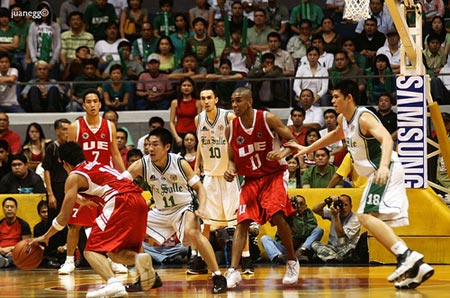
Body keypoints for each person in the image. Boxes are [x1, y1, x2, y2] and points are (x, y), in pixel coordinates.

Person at [285, 79, 434, 289]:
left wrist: (383, 166)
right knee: (371, 219)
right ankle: (415, 264)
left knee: (364, 215)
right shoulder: (342, 120)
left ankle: (407, 257)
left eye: (336, 96)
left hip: (386, 169)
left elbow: (387, 139)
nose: (333, 100)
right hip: (378, 173)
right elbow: (335, 136)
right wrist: (305, 148)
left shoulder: (363, 117)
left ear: (349, 97)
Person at [30, 141, 161, 297]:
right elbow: (98, 186)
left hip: (119, 202)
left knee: (91, 250)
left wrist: (45, 236)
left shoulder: (74, 176)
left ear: (64, 163)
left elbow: (64, 218)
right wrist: (83, 201)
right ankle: (143, 263)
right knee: (114, 254)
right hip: (138, 200)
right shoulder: (96, 165)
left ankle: (113, 283)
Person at [126, 127, 228, 293]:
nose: (150, 149)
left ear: (167, 147)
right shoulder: (142, 164)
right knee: (133, 233)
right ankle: (147, 276)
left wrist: (202, 208)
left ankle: (218, 276)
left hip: (183, 208)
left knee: (193, 233)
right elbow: (120, 181)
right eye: (148, 145)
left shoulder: (179, 163)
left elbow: (200, 188)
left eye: (155, 145)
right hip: (160, 210)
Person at [224, 87, 299, 287]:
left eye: (238, 100)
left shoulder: (268, 119)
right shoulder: (231, 128)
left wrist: (282, 154)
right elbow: (231, 159)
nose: (234, 105)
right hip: (251, 179)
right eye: (232, 101)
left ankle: (292, 260)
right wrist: (230, 171)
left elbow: (293, 141)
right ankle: (233, 270)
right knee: (241, 222)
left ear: (249, 101)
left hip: (274, 175)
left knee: (276, 213)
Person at [58, 89, 126, 275]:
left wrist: (124, 177)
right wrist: (72, 184)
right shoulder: (76, 127)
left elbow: (115, 154)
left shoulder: (109, 126)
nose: (93, 104)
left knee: (110, 223)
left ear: (100, 104)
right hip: (83, 181)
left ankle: (113, 259)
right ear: (84, 105)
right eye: (89, 101)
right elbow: (70, 155)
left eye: (96, 101)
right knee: (75, 224)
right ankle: (69, 260)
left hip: (104, 183)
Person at [194, 88, 254, 275]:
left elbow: (240, 139)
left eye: (209, 97)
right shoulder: (199, 119)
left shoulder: (228, 117)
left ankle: (246, 259)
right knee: (205, 222)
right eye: (203, 98)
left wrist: (236, 164)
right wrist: (197, 165)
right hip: (210, 175)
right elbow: (200, 144)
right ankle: (198, 259)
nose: (206, 101)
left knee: (238, 221)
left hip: (229, 176)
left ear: (216, 99)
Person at [261, 194, 323, 264]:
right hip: (285, 247)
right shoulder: (286, 213)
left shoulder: (308, 214)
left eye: (301, 204)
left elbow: (303, 232)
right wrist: (287, 204)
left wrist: (297, 216)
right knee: (264, 238)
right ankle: (278, 257)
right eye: (296, 204)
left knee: (319, 230)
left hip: (302, 245)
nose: (298, 206)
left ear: (305, 206)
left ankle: (301, 252)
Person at [311, 194, 362, 262]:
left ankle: (328, 257)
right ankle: (335, 258)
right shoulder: (334, 212)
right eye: (341, 205)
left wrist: (336, 216)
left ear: (351, 206)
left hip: (347, 247)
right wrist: (328, 200)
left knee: (350, 250)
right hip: (332, 247)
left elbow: (341, 236)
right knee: (314, 244)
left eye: (346, 205)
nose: (343, 207)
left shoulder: (356, 219)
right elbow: (315, 209)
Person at [42, 118, 71, 220]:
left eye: (69, 129)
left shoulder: (73, 148)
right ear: (57, 131)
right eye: (64, 129)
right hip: (56, 188)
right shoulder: (52, 148)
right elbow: (46, 171)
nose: (67, 133)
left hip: (71, 187)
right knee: (56, 220)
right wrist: (50, 194)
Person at [169, 77, 202, 152]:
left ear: (193, 87)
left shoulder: (198, 103)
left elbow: (200, 121)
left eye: (189, 85)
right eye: (184, 85)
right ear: (180, 87)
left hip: (194, 134)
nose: (186, 87)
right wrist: (176, 136)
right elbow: (171, 122)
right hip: (179, 134)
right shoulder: (175, 103)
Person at [33, 200, 67, 268]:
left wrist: (64, 247)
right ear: (39, 213)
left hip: (61, 255)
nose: (46, 214)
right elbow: (36, 245)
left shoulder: (60, 226)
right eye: (43, 212)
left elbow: (69, 242)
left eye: (48, 212)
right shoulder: (37, 228)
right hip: (46, 256)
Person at [0, 197, 31, 268]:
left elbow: (26, 245)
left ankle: (7, 262)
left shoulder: (23, 224)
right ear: (3, 209)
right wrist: (1, 250)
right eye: (7, 207)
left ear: (16, 209)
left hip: (17, 252)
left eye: (12, 207)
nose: (9, 209)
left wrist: (12, 249)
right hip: (1, 252)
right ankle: (6, 261)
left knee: (25, 255)